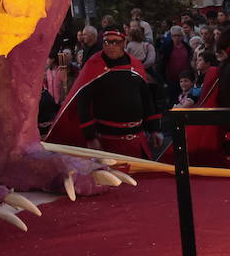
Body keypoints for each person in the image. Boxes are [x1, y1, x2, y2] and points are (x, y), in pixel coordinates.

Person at [46, 26, 161, 158]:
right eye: (106, 42)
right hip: (107, 143)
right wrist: (90, 137)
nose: (110, 46)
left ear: (124, 43)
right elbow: (82, 103)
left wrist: (154, 129)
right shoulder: (94, 65)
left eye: (115, 42)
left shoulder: (136, 65)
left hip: (137, 141)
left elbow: (147, 98)